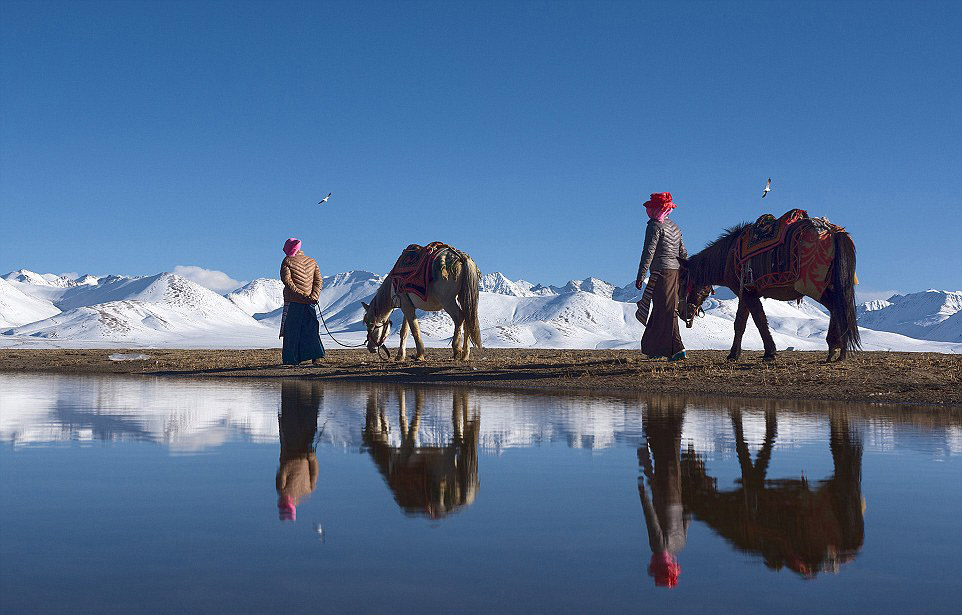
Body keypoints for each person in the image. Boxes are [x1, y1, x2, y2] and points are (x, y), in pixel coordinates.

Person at [635, 192, 687, 361]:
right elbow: (683, 252)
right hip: (675, 272)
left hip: (661, 272)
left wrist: (641, 275)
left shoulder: (654, 225)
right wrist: (686, 271)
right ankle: (654, 348)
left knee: (666, 310)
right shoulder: (675, 227)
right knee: (661, 308)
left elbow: (648, 251)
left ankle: (677, 349)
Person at [279, 237, 325, 366]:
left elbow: (287, 282)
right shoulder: (312, 261)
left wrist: (301, 296)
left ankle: (291, 359)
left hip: (293, 302)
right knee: (311, 329)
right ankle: (316, 356)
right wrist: (314, 296)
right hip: (310, 302)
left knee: (292, 331)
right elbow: (318, 281)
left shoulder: (287, 261)